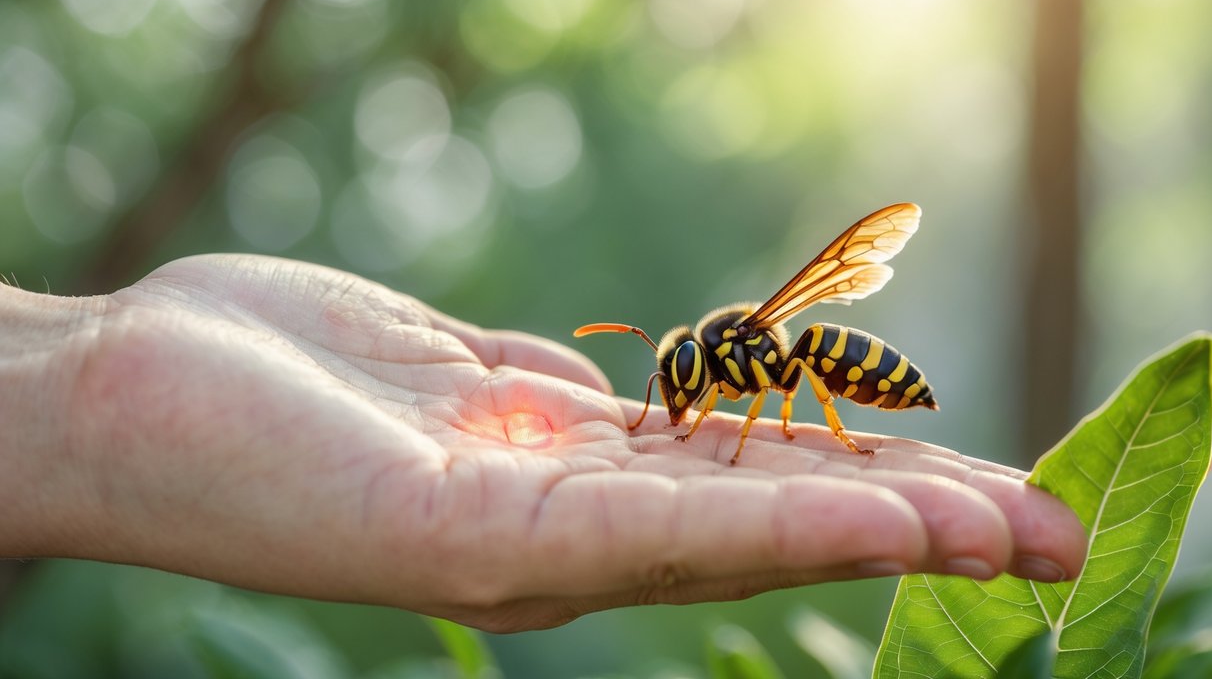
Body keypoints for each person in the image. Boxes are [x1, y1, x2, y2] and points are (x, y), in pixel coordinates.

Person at [0, 255, 1086, 632]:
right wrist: (86, 382)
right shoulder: (720, 370)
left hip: (841, 374)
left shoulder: (750, 365)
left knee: (813, 372)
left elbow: (764, 387)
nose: (680, 400)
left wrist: (86, 376)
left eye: (683, 386)